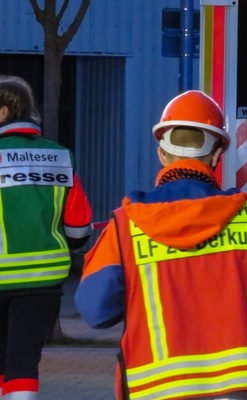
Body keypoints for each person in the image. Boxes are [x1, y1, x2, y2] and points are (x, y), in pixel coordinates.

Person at [75, 90, 247, 400]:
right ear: (217, 156)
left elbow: (96, 310)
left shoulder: (127, 225)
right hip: (242, 390)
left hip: (157, 390)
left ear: (161, 154)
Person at [0, 75, 92, 400]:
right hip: (43, 283)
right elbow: (79, 230)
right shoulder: (59, 156)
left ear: (3, 113)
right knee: (22, 362)